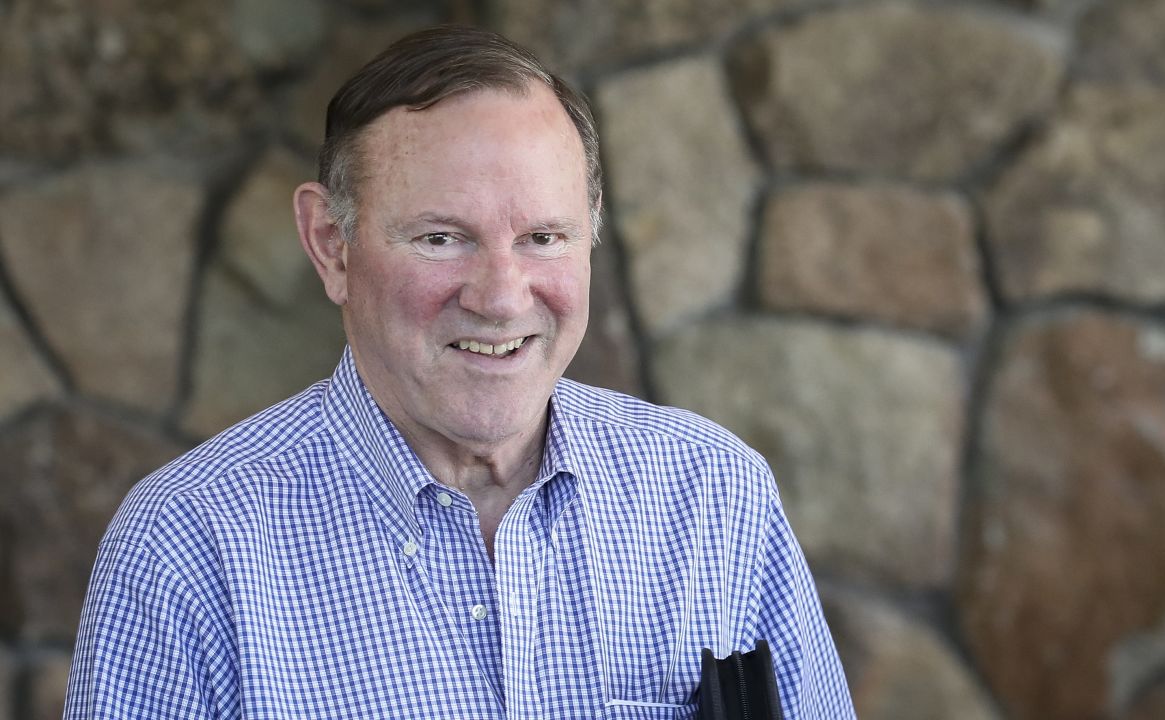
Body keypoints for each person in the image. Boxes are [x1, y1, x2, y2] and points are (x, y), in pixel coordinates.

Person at [65, 25, 856, 719]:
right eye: (442, 238)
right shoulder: (186, 546)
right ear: (330, 244)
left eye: (544, 237)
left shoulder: (715, 499)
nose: (502, 297)